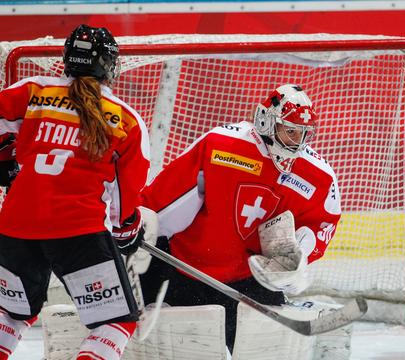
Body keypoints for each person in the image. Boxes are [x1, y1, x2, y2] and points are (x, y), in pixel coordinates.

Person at [139, 84, 341, 351]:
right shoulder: (220, 145)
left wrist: (299, 257)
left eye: (304, 135)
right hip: (186, 271)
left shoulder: (318, 176)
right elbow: (160, 204)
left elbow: (322, 225)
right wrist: (138, 234)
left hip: (252, 281)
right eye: (290, 131)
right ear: (266, 121)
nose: (296, 142)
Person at [0, 25, 150, 360]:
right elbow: (127, 195)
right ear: (109, 64)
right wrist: (127, 227)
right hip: (78, 233)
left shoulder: (30, 90)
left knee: (12, 316)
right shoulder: (124, 119)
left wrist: (5, 160)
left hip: (14, 226)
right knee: (116, 323)